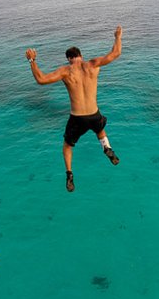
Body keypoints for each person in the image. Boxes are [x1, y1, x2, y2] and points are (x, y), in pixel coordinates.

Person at [25, 26, 123, 192]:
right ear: (81, 56)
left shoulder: (66, 71)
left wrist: (32, 61)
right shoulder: (93, 64)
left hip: (77, 117)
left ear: (69, 59)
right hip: (94, 114)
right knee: (100, 130)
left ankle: (69, 174)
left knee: (67, 146)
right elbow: (115, 53)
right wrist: (117, 36)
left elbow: (41, 80)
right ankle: (107, 148)